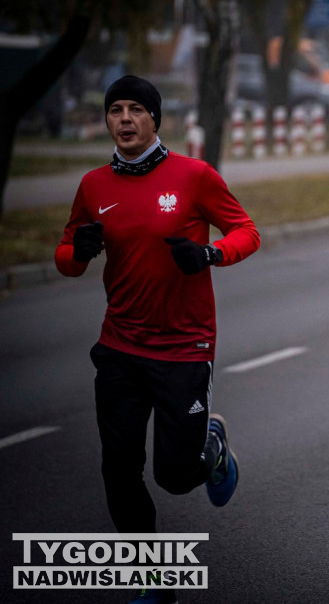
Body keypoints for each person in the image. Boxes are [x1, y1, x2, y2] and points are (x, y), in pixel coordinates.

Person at [55, 76, 261, 604]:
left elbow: (247, 231)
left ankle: (211, 446)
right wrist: (76, 250)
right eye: (115, 111)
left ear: (155, 119)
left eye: (136, 111)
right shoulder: (94, 185)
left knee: (172, 476)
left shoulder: (194, 176)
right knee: (118, 469)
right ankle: (154, 578)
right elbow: (69, 262)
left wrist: (211, 254)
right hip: (120, 345)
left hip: (183, 348)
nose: (124, 119)